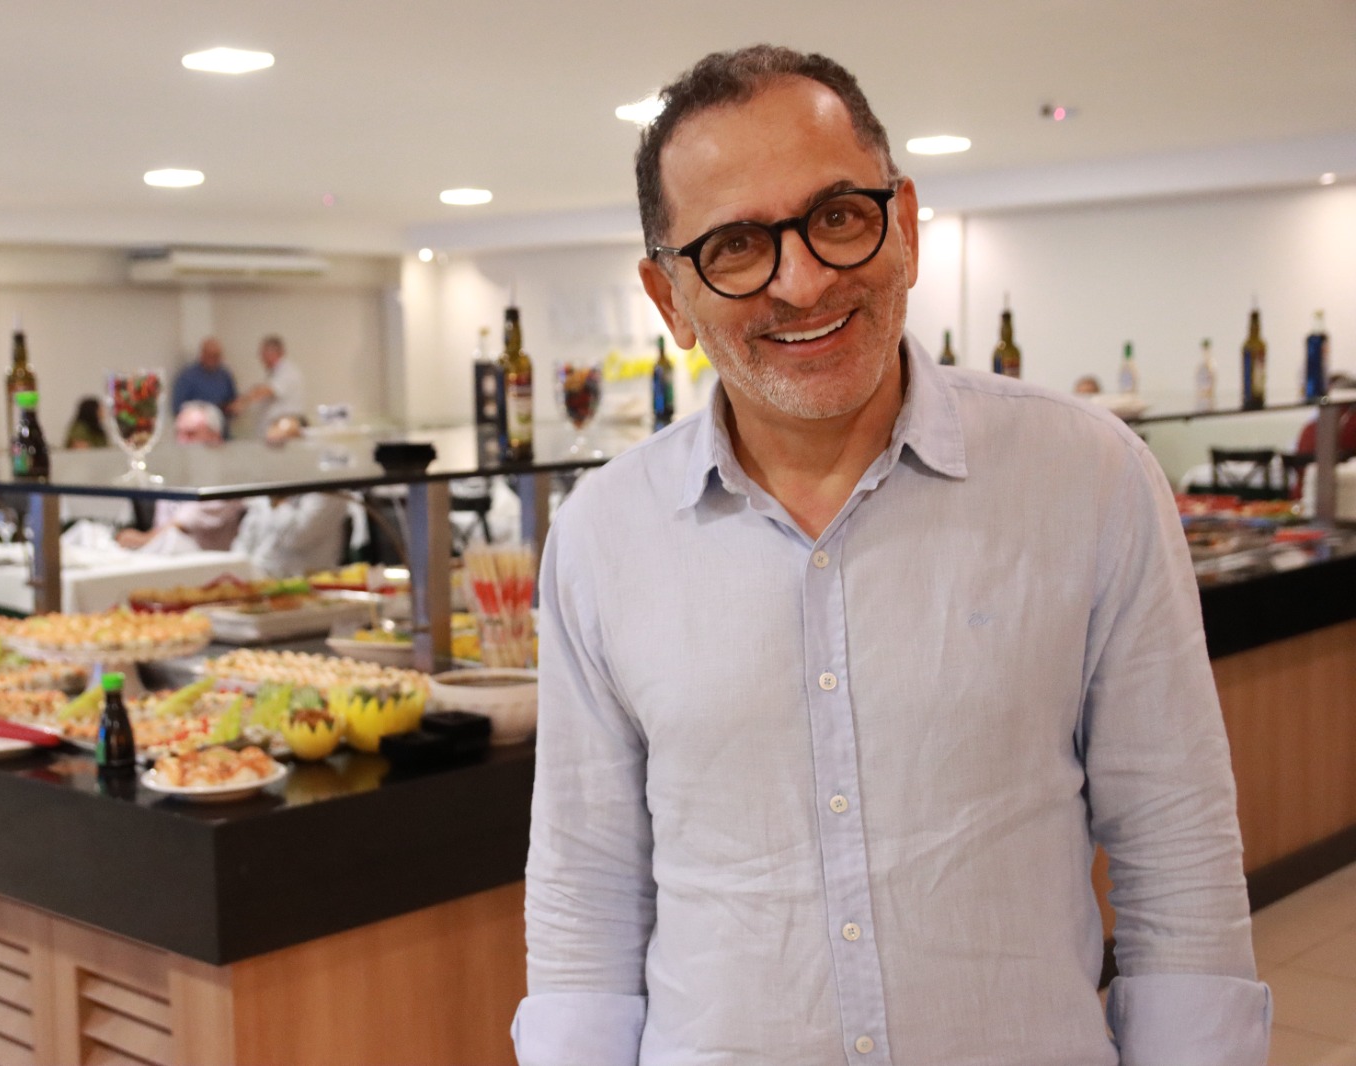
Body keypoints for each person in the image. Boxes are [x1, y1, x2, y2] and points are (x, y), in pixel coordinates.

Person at [517, 45, 1268, 1066]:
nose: (802, 280)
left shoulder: (1089, 476)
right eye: (735, 245)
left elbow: (1175, 849)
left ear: (904, 226)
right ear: (669, 300)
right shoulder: (603, 536)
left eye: (837, 216)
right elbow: (585, 891)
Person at [116, 402, 244, 552]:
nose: (182, 441)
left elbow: (183, 524)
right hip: (164, 557)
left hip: (206, 561)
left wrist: (143, 539)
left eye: (191, 434)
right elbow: (162, 524)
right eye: (179, 433)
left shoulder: (228, 476)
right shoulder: (175, 472)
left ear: (215, 437)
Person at [236, 334, 308, 443]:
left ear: (272, 353)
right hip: (272, 431)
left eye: (263, 354)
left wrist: (242, 402)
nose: (261, 358)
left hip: (284, 429)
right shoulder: (273, 374)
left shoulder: (287, 371)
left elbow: (268, 390)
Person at [170, 337, 239, 436]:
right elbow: (178, 408)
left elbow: (233, 401)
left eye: (217, 356)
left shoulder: (225, 375)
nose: (214, 359)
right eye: (210, 355)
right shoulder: (187, 376)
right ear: (202, 354)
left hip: (220, 434)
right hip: (195, 436)